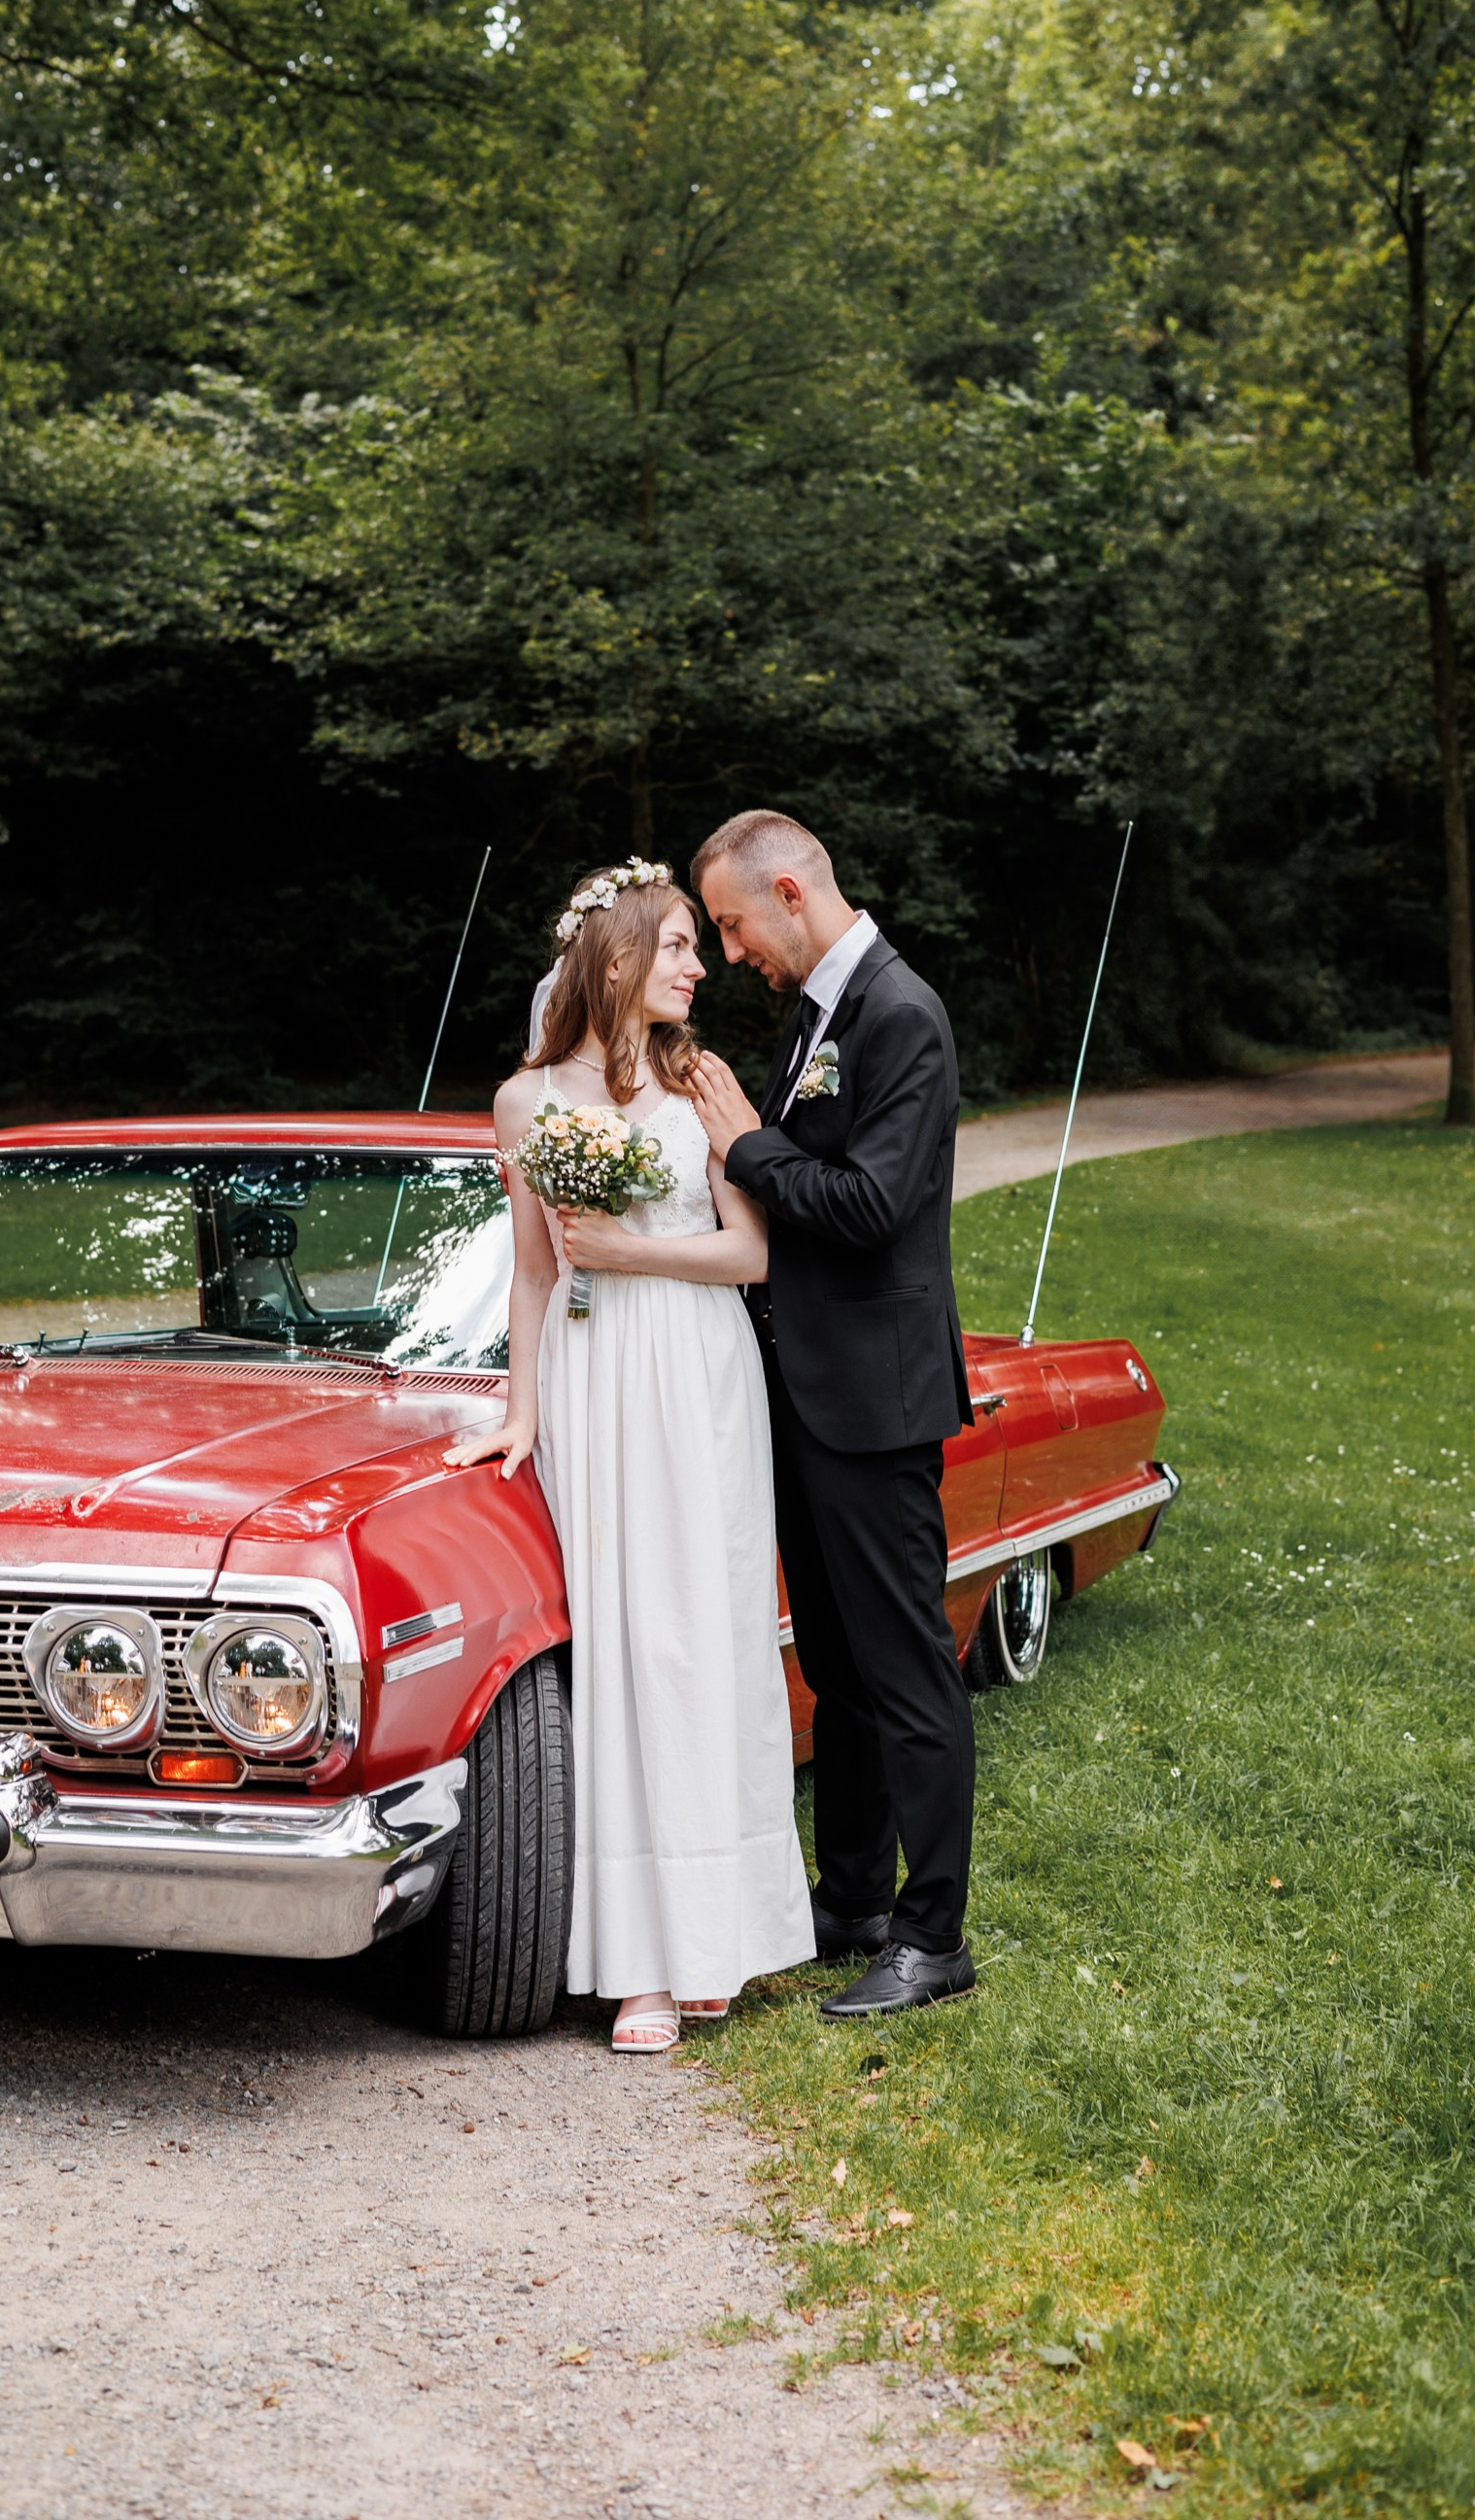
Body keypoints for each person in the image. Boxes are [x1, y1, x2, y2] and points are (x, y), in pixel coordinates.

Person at [445, 861, 814, 2054]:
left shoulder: (702, 1080)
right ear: (613, 962)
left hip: (696, 1373)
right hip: (595, 1382)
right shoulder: (523, 1102)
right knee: (614, 1642)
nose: (699, 968)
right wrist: (520, 1408)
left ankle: (713, 1935)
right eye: (676, 948)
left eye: (703, 947)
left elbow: (754, 1255)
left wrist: (627, 1251)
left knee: (697, 1637)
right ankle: (631, 1961)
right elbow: (534, 1274)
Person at [686, 810, 977, 2020]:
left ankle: (933, 1937)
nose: (732, 950)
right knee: (841, 1671)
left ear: (791, 892)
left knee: (906, 1670)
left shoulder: (899, 1015)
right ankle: (850, 1897)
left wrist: (743, 1148)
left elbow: (866, 1207)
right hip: (807, 1394)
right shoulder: (814, 1014)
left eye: (734, 923)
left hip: (874, 1400)